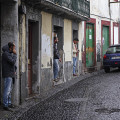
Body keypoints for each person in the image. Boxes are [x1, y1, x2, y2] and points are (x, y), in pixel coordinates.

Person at [2, 42, 17, 110]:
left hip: (11, 74)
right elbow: (12, 62)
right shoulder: (5, 54)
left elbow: (12, 64)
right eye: (14, 47)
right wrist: (15, 54)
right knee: (7, 90)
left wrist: (15, 70)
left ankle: (9, 103)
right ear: (10, 47)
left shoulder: (9, 53)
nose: (14, 49)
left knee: (10, 90)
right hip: (8, 74)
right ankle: (5, 105)